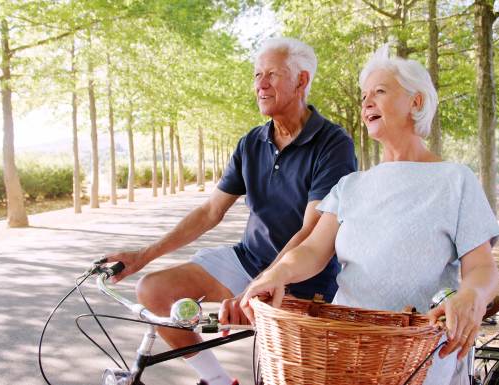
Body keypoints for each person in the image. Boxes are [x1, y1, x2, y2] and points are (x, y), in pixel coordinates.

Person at [240, 44, 499, 385]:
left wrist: (472, 296)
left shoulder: (455, 180)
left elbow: (482, 268)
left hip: (420, 354)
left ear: (416, 102)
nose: (366, 103)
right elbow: (313, 251)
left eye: (379, 91)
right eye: (364, 95)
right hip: (347, 347)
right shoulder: (351, 185)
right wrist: (276, 274)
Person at [105, 37, 356, 385]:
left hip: (301, 276)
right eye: (256, 75)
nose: (260, 84)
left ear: (302, 81)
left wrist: (261, 284)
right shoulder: (251, 142)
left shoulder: (333, 143)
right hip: (247, 258)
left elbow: (310, 231)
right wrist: (142, 257)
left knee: (279, 371)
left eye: (272, 74)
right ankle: (218, 381)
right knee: (153, 291)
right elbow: (210, 212)